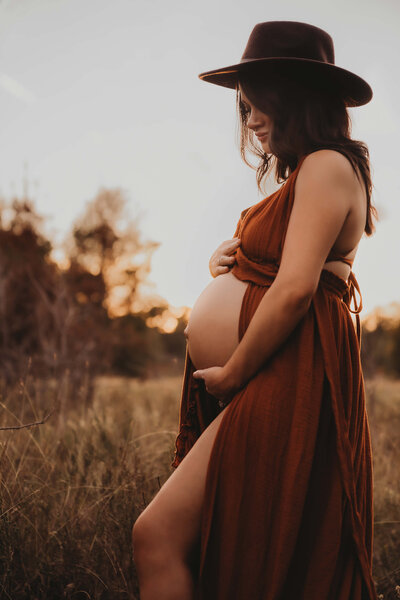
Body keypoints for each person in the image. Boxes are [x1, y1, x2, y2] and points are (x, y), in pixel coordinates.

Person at [132, 21, 379, 599]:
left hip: (281, 376)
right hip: (270, 376)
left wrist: (234, 374)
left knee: (159, 535)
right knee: (206, 544)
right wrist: (235, 266)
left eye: (258, 102)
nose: (250, 120)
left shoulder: (326, 166)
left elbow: (295, 290)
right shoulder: (313, 173)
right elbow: (288, 274)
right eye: (245, 108)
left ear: (295, 93)